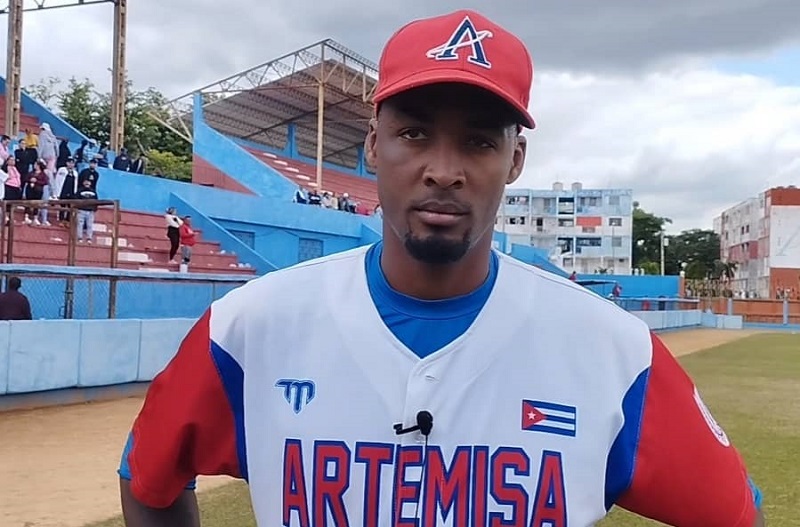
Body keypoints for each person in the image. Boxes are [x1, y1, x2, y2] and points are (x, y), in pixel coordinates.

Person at [117, 10, 765, 527]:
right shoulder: (249, 327)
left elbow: (735, 512)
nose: (444, 169)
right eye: (416, 133)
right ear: (374, 144)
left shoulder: (615, 352)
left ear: (515, 160)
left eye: (480, 140)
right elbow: (146, 476)